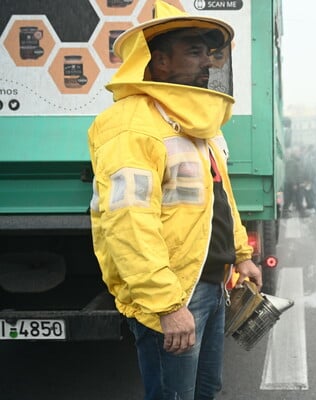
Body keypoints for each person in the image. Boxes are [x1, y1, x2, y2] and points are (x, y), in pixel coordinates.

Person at [87, 2, 262, 399]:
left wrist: (240, 255)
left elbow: (219, 196)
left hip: (212, 284)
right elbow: (128, 223)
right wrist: (167, 305)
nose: (209, 64)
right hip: (178, 293)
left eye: (210, 53)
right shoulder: (132, 125)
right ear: (160, 62)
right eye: (195, 52)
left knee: (204, 391)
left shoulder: (198, 121)